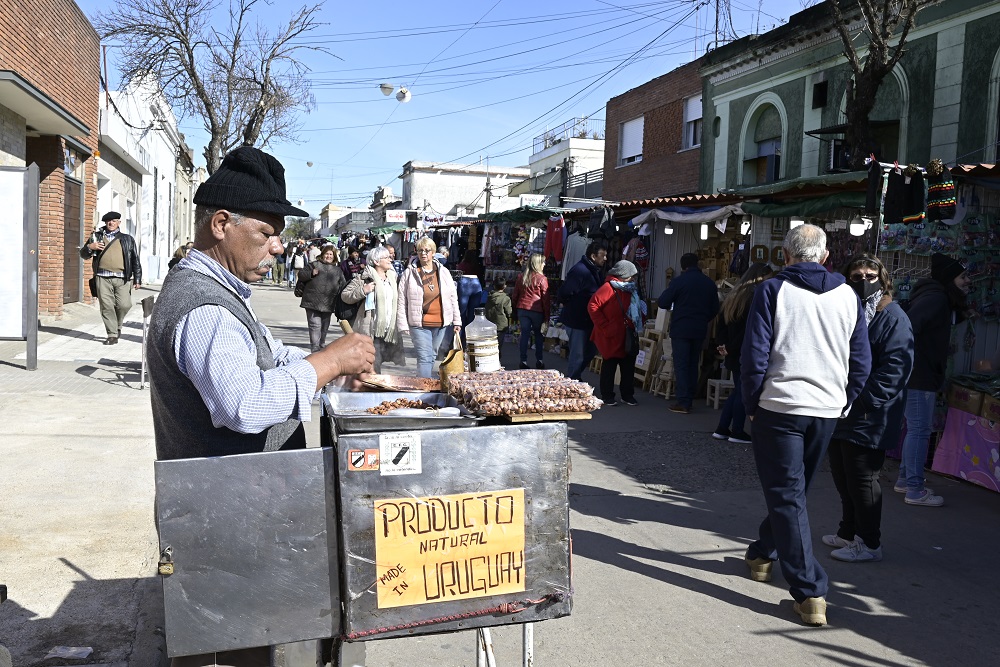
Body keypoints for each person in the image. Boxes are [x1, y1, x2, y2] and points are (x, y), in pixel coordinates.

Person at [146, 146, 375, 667]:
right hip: (224, 516)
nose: (277, 247)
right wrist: (326, 364)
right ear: (222, 224)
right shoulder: (204, 307)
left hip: (232, 509)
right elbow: (245, 404)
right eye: (267, 233)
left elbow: (264, 358)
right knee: (236, 648)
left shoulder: (220, 291)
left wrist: (332, 362)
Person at [741, 224, 871, 627]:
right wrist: (846, 399)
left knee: (787, 493)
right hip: (827, 408)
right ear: (826, 257)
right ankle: (763, 552)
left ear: (786, 256)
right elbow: (861, 359)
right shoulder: (849, 294)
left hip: (780, 406)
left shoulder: (772, 290)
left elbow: (754, 355)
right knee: (791, 493)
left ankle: (810, 590)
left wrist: (751, 405)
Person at [823, 254, 914, 563]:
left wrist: (861, 401)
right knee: (842, 475)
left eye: (870, 275)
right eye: (856, 275)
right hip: (842, 409)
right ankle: (848, 532)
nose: (863, 281)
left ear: (883, 279)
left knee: (863, 479)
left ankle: (869, 542)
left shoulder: (893, 317)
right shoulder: (852, 312)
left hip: (868, 414)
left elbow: (895, 370)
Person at [895, 252, 973, 507]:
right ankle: (915, 489)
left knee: (915, 429)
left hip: (918, 372)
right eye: (963, 277)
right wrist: (917, 360)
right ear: (949, 278)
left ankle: (906, 480)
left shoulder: (937, 297)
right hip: (920, 374)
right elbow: (910, 327)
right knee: (919, 430)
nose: (967, 281)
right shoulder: (936, 298)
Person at [712, 263, 773, 444]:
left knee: (737, 390)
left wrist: (723, 345)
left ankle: (723, 428)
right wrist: (729, 346)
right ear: (761, 277)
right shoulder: (755, 297)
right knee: (741, 392)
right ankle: (736, 431)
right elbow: (749, 331)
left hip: (731, 352)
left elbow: (721, 325)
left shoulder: (734, 296)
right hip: (744, 351)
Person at [657, 252, 720, 414]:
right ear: (697, 264)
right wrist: (703, 319)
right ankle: (689, 397)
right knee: (693, 364)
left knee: (682, 364)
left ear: (683, 266)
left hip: (681, 328)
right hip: (699, 329)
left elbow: (663, 302)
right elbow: (715, 309)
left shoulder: (678, 282)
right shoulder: (709, 283)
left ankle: (683, 401)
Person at [397, 236, 462, 378]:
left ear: (433, 252)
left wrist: (457, 321)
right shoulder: (409, 273)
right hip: (419, 323)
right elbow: (401, 300)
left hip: (440, 323)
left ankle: (422, 384)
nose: (423, 253)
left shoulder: (443, 272)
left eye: (427, 250)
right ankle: (423, 391)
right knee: (425, 357)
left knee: (432, 355)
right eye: (420, 250)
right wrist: (402, 324)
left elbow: (452, 297)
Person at [80, 211, 142, 345]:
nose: (111, 223)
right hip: (102, 277)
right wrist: (90, 247)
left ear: (119, 222)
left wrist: (137, 278)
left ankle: (117, 326)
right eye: (108, 221)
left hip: (122, 278)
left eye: (114, 221)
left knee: (124, 304)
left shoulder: (127, 239)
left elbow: (135, 259)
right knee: (106, 306)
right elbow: (84, 255)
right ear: (105, 223)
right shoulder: (96, 237)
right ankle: (112, 334)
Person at [588, 260, 645, 406]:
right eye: (630, 275)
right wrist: (605, 326)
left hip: (626, 333)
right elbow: (593, 305)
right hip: (611, 334)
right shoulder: (608, 288)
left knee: (628, 365)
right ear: (622, 275)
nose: (633, 279)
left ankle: (627, 395)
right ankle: (607, 395)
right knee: (610, 364)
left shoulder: (630, 288)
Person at [341, 246, 404, 373]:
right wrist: (363, 290)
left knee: (379, 359)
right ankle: (371, 387)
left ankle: (372, 385)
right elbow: (345, 296)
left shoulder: (393, 277)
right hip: (371, 328)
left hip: (389, 328)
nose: (390, 259)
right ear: (376, 261)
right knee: (373, 362)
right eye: (386, 257)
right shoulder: (364, 277)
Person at [558, 241, 608, 380]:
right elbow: (564, 292)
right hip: (577, 319)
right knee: (578, 354)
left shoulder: (594, 270)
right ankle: (573, 382)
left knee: (590, 351)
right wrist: (574, 305)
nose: (605, 259)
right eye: (602, 256)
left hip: (589, 320)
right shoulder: (580, 270)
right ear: (593, 256)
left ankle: (574, 377)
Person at [297, 244, 347, 352]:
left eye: (331, 254)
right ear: (322, 254)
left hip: (328, 303)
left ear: (334, 257)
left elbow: (343, 285)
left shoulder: (337, 270)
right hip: (312, 301)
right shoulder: (314, 265)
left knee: (324, 327)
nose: (328, 256)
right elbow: (301, 275)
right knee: (315, 326)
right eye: (326, 254)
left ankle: (321, 346)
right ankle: (315, 350)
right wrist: (311, 273)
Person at [513, 253, 551, 370]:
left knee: (524, 335)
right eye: (543, 262)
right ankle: (539, 360)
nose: (544, 264)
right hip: (536, 310)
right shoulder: (542, 279)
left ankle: (523, 360)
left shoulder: (522, 277)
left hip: (522, 309)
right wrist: (547, 315)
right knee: (538, 335)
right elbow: (545, 298)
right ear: (538, 264)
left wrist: (515, 309)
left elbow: (515, 295)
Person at [485, 278, 513, 358]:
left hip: (490, 323)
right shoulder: (506, 298)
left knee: (490, 342)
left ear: (494, 286)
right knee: (499, 343)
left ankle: (490, 357)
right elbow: (509, 311)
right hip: (501, 324)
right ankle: (497, 358)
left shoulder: (489, 297)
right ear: (505, 286)